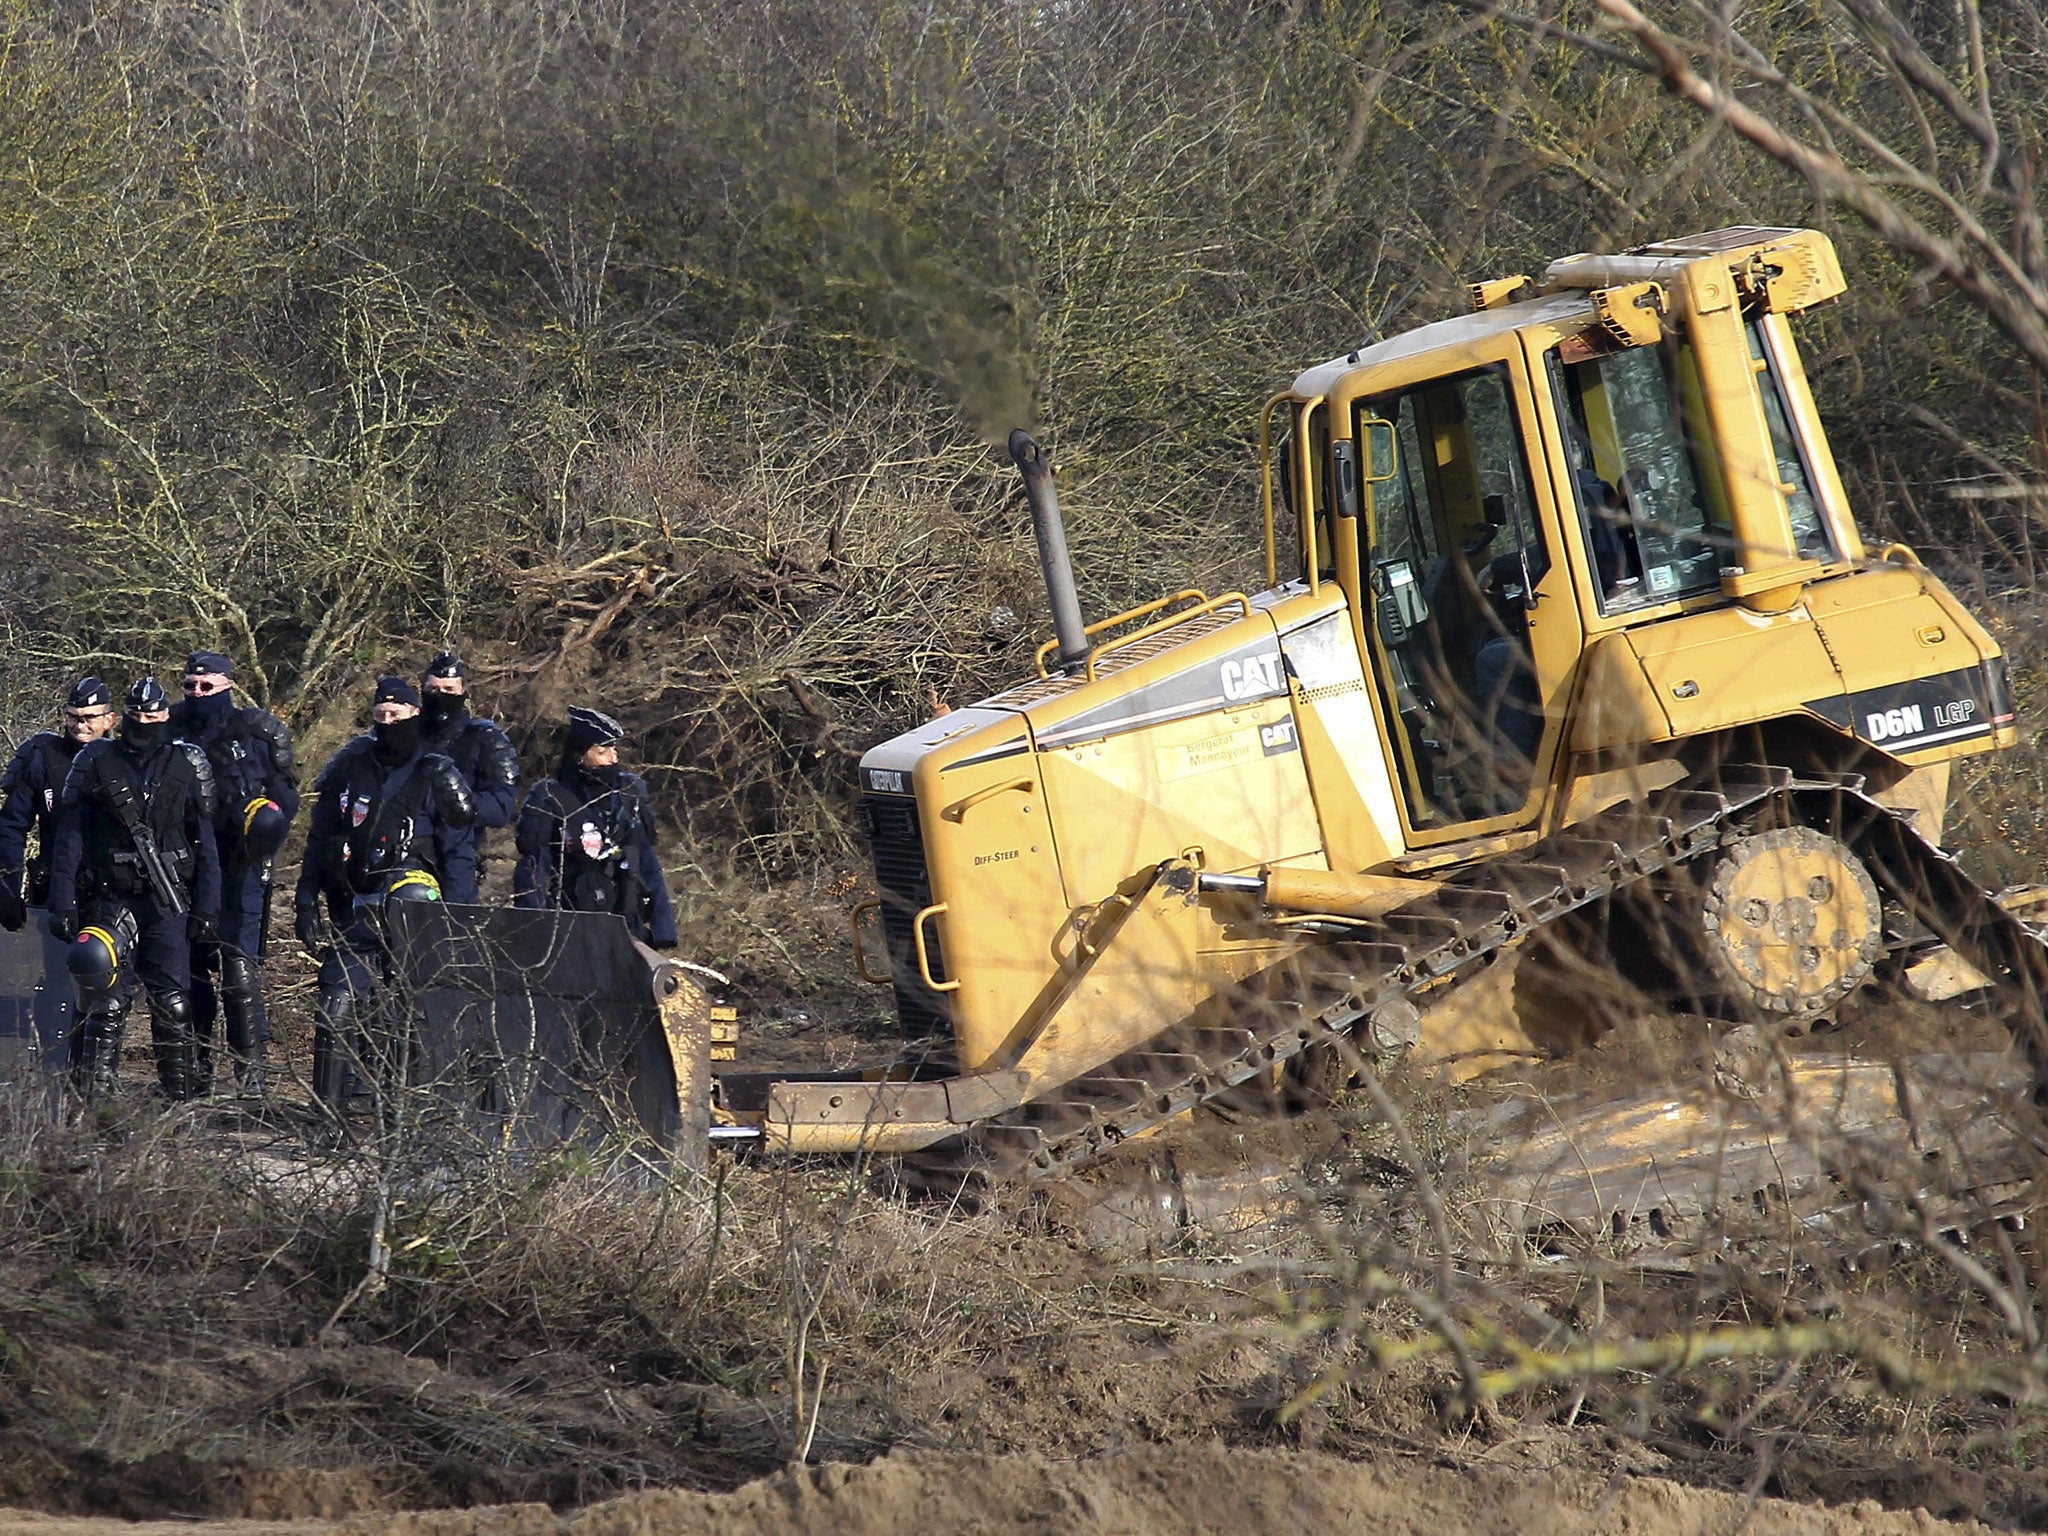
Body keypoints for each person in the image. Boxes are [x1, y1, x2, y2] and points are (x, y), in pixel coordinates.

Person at [294, 676, 475, 1112]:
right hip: (358, 898)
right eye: (381, 715)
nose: (388, 721)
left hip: (419, 901)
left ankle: (405, 1107)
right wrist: (305, 897)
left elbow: (459, 852)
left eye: (397, 714)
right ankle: (331, 1111)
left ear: (416, 713)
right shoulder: (353, 765)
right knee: (338, 997)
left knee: (409, 1003)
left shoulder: (436, 772)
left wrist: (460, 917)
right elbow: (322, 836)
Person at [46, 678, 221, 1100]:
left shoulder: (188, 762)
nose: (144, 722)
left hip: (168, 900)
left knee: (173, 1003)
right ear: (123, 716)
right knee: (105, 998)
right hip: (110, 896)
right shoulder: (95, 760)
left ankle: (178, 1096)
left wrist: (209, 910)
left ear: (166, 716)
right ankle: (96, 1097)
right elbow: (70, 838)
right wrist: (62, 900)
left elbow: (206, 844)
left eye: (152, 715)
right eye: (136, 715)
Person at [168, 651, 297, 1095]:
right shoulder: (168, 727)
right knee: (192, 967)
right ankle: (195, 1070)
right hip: (184, 863)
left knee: (239, 966)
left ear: (227, 686)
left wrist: (263, 831)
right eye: (190, 686)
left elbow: (286, 800)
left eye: (207, 687)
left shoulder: (257, 732)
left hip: (240, 863)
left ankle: (252, 1076)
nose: (197, 694)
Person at [0, 678, 120, 1067]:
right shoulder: (43, 755)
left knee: (107, 987)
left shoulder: (125, 758)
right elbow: (12, 825)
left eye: (89, 718)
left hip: (110, 891)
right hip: (53, 889)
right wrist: (7, 885)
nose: (80, 725)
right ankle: (53, 1071)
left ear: (109, 720)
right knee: (56, 983)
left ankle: (97, 1078)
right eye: (72, 717)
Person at [513, 707, 676, 949]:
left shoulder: (630, 793)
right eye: (602, 752)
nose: (613, 759)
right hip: (572, 922)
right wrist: (536, 929)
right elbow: (534, 868)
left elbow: (649, 864)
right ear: (580, 755)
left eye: (614, 750)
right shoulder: (550, 797)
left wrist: (663, 929)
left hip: (628, 923)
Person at [417, 652, 518, 902]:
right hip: (406, 849)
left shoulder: (486, 739)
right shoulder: (404, 736)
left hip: (460, 851)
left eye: (449, 689)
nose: (440, 695)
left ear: (462, 692)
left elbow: (501, 805)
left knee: (456, 930)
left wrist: (451, 803)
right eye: (433, 689)